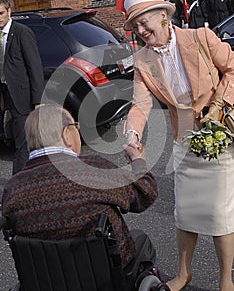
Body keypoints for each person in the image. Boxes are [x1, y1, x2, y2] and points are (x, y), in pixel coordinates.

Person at [122, 0, 234, 291]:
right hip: (184, 139)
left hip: (219, 135)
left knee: (219, 212)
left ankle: (226, 280)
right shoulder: (142, 60)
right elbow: (140, 104)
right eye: (136, 26)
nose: (142, 30)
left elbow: (232, 69)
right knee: (185, 212)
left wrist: (219, 105)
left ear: (163, 15)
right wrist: (132, 133)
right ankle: (185, 274)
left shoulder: (200, 37)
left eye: (145, 22)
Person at [2, 104, 161, 289]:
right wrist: (138, 160)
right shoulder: (93, 170)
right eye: (75, 127)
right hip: (106, 279)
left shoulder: (13, 188)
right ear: (66, 134)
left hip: (44, 281)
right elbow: (146, 192)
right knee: (141, 240)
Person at [0, 0, 44, 174]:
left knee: (22, 142)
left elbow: (34, 67)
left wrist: (38, 100)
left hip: (21, 95)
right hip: (3, 93)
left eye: (1, 13)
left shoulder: (21, 32)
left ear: (9, 11)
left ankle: (19, 184)